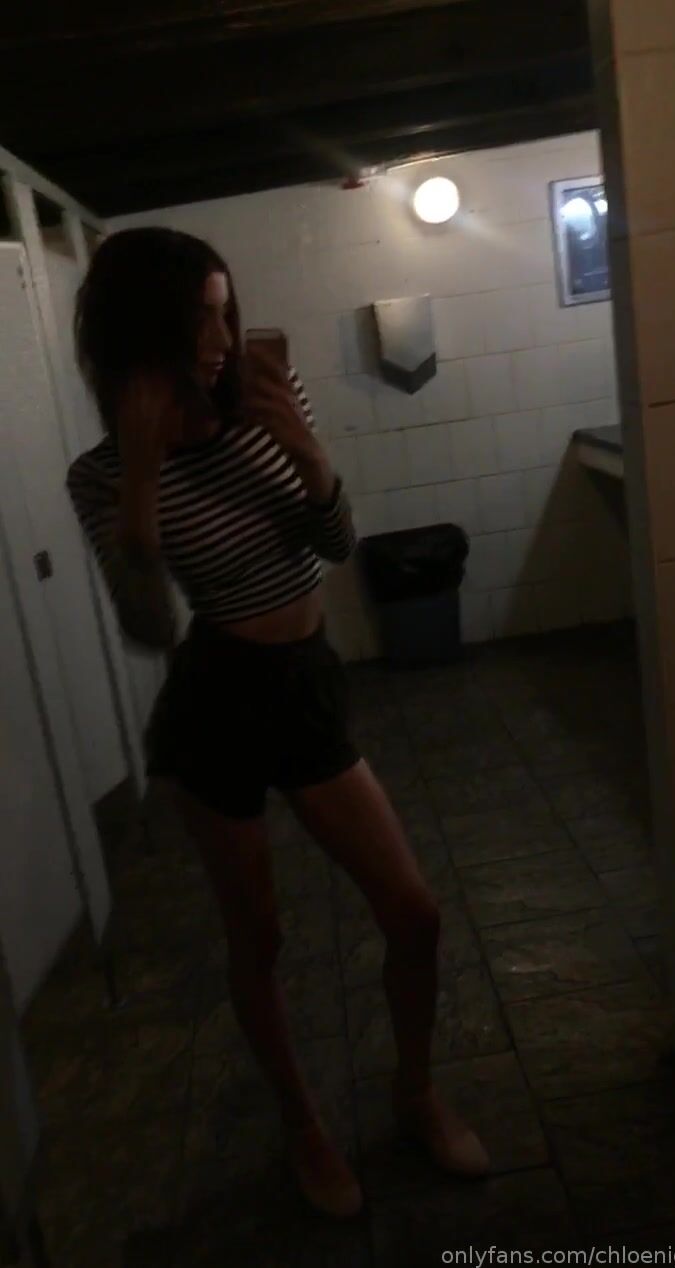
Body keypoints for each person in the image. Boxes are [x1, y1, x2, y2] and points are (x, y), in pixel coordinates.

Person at [66, 227, 489, 1219]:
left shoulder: (262, 402)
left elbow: (335, 543)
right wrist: (140, 475)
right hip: (214, 702)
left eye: (226, 311)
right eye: (197, 319)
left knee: (414, 913)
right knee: (257, 936)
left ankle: (416, 1092)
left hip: (306, 682)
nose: (221, 339)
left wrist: (303, 445)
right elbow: (150, 625)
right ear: (142, 332)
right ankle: (302, 1125)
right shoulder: (100, 475)